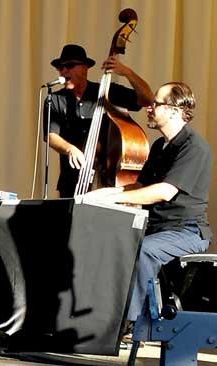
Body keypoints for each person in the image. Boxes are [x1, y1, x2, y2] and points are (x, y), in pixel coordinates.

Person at [84, 82, 211, 327]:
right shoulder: (159, 146)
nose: (149, 108)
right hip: (158, 229)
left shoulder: (193, 146)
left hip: (187, 231)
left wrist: (116, 198)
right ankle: (94, 317)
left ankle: (132, 325)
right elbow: (139, 187)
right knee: (105, 241)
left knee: (144, 250)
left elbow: (164, 192)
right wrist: (101, 195)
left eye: (156, 104)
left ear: (174, 110)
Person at [45, 44, 153, 198]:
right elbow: (51, 135)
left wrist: (128, 73)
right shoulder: (54, 100)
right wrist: (70, 149)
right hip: (72, 180)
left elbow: (147, 99)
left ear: (85, 68)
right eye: (60, 68)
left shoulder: (108, 92)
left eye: (69, 66)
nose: (63, 71)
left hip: (108, 180)